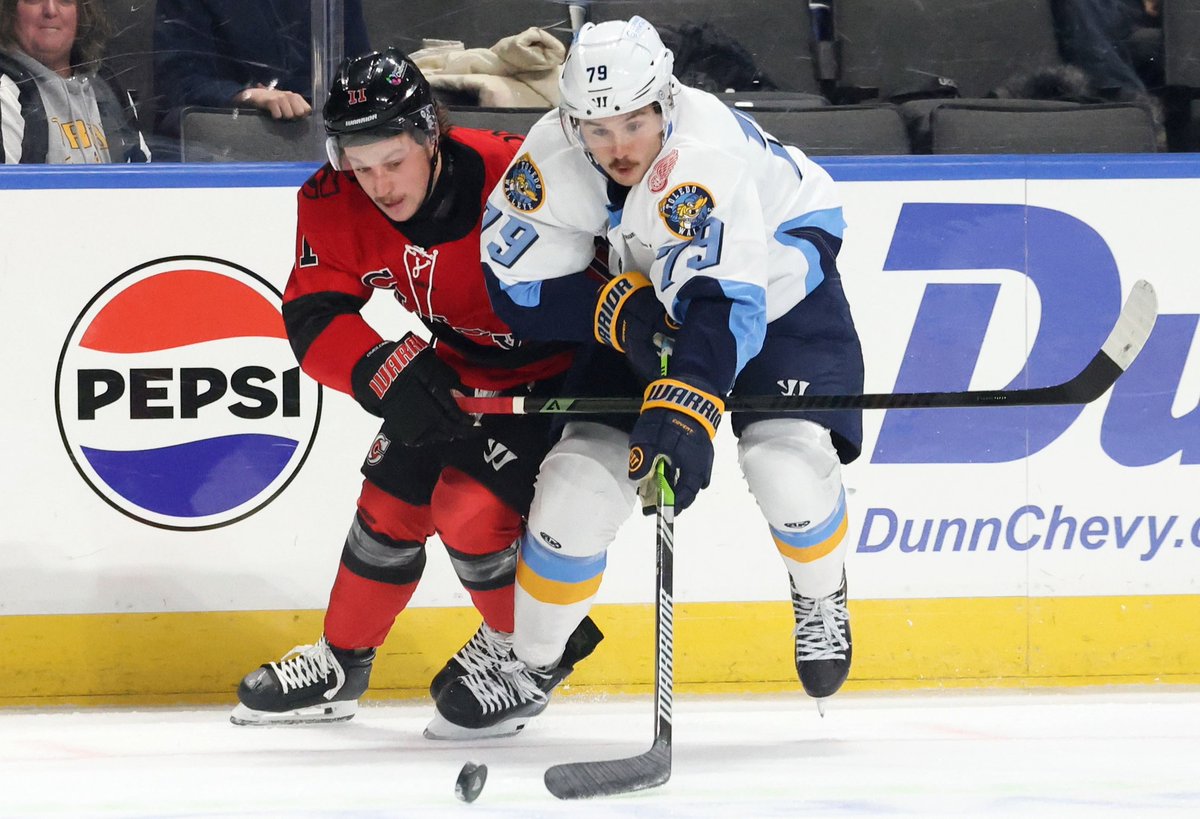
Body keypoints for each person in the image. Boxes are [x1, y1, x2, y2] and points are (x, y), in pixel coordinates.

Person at [427, 16, 864, 738]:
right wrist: (614, 312)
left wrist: (685, 412)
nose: (618, 146)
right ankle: (532, 658)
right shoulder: (553, 156)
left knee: (784, 463)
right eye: (598, 129)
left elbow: (724, 308)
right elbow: (517, 285)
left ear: (666, 99)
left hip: (780, 280)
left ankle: (821, 594)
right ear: (572, 123)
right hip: (648, 283)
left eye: (635, 122)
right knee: (575, 484)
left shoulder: (704, 157)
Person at [230, 47, 602, 727]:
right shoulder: (331, 197)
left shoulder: (516, 174)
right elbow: (314, 314)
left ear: (431, 134)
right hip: (460, 365)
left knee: (468, 511)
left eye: (393, 160)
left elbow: (613, 262)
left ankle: (537, 653)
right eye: (361, 165)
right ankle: (342, 661)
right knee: (388, 504)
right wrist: (378, 368)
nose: (379, 184)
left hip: (560, 374)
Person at [152, 0, 370, 138]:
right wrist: (244, 96)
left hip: (324, 142)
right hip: (217, 152)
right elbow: (176, 83)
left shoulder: (332, 5)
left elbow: (359, 74)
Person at [0, 0, 149, 163]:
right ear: (9, 11)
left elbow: (145, 178)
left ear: (82, 12)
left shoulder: (108, 87)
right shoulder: (6, 89)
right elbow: (8, 186)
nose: (50, 10)